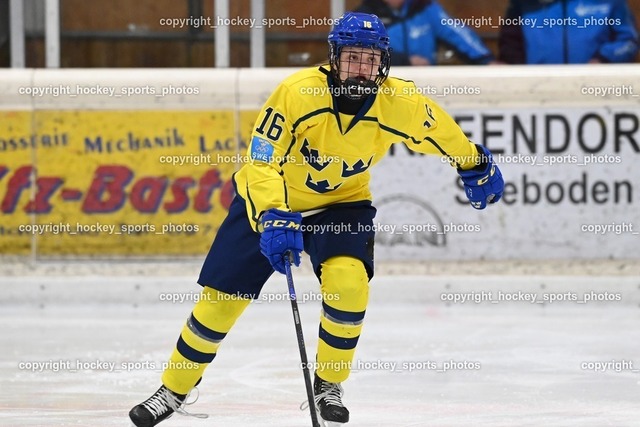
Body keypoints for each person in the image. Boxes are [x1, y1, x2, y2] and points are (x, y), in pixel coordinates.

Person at [128, 11, 504, 427]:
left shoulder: (401, 102)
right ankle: (173, 389)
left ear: (382, 63)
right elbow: (261, 160)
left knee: (349, 285)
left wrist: (473, 162)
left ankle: (328, 384)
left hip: (341, 204)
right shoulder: (297, 93)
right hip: (272, 202)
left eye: (370, 60)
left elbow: (440, 132)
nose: (361, 69)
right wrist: (273, 213)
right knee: (221, 302)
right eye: (352, 57)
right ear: (334, 57)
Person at [355, 0, 496, 65]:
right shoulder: (363, 16)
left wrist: (486, 60)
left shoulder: (426, 7)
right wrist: (405, 61)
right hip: (384, 87)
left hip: (426, 87)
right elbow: (358, 54)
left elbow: (458, 34)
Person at [499, 0, 639, 63]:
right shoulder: (523, 3)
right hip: (537, 86)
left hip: (599, 85)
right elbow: (510, 42)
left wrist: (603, 59)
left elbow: (629, 40)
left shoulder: (610, 1)